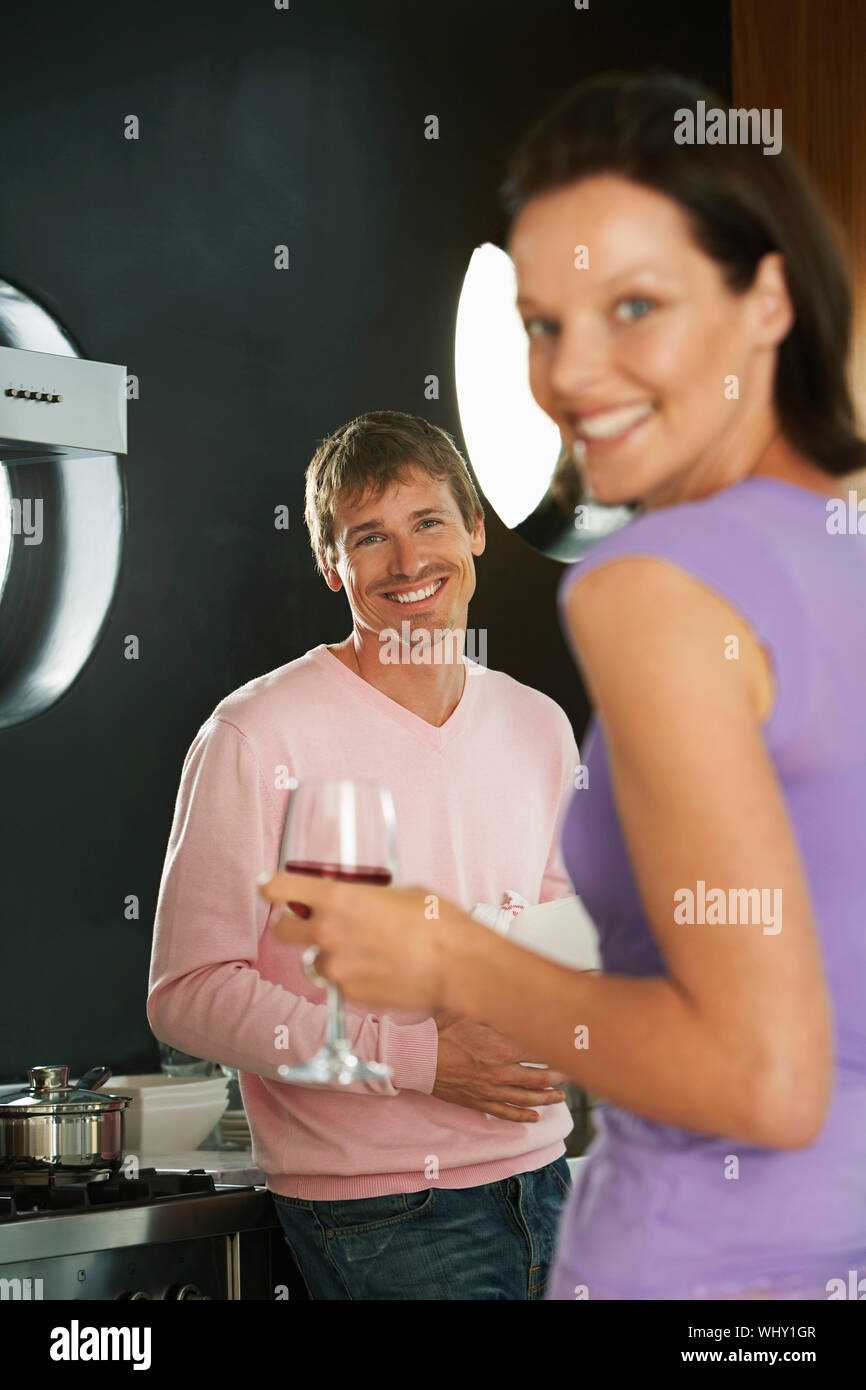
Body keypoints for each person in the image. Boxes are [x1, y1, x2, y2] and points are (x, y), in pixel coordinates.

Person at [260, 70, 866, 1300]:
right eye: (541, 324)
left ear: (764, 299)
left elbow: (761, 1078)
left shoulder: (654, 586)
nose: (566, 378)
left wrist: (446, 963)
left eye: (631, 305)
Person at [147, 408, 584, 1300]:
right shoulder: (257, 733)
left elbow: (559, 936)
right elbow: (186, 995)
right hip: (383, 1211)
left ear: (475, 530)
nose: (407, 561)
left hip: (548, 1181)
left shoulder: (537, 723)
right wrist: (421, 1060)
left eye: (428, 522)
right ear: (331, 565)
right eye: (369, 537)